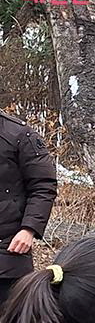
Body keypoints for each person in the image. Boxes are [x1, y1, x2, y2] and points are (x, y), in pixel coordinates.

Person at [0, 111, 57, 307]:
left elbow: (43, 186)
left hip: (8, 254)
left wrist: (29, 229)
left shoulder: (19, 134)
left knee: (11, 320)